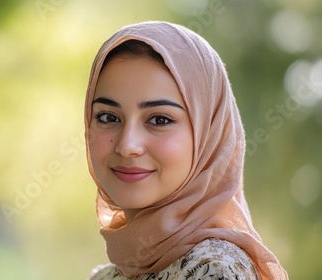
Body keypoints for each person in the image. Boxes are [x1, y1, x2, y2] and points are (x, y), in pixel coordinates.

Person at [84, 21, 288, 279]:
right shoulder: (106, 276)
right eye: (108, 117)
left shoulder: (213, 270)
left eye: (159, 120)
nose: (127, 146)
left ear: (208, 136)